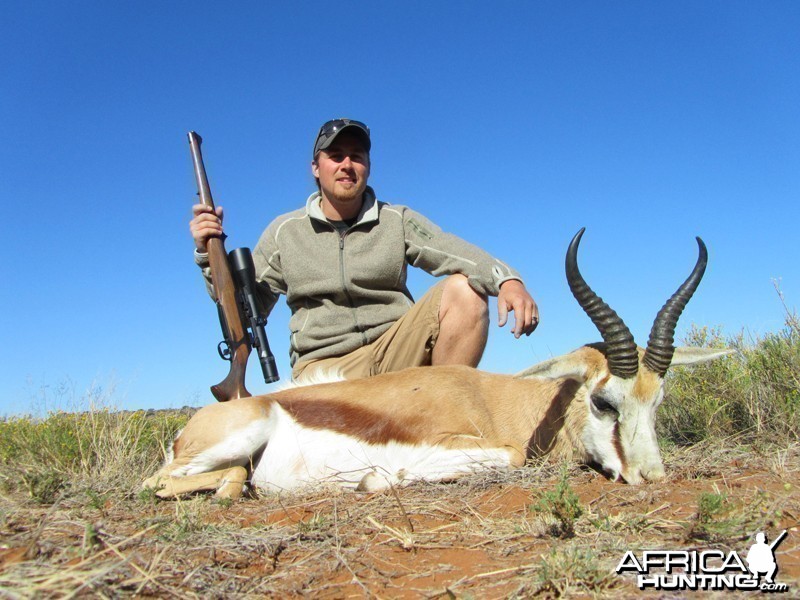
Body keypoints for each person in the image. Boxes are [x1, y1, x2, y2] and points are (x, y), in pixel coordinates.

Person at [190, 118, 539, 381]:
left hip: (395, 351)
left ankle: (442, 412)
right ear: (316, 167)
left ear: (368, 167)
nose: (347, 165)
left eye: (356, 156)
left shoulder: (396, 219)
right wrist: (209, 256)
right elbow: (248, 307)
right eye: (336, 156)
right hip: (324, 366)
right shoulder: (284, 232)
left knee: (464, 291)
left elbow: (453, 250)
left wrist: (507, 280)